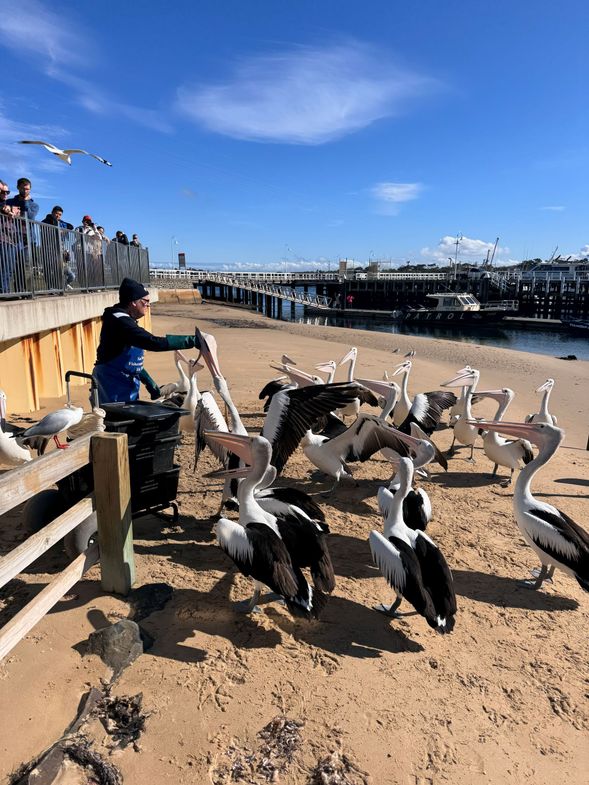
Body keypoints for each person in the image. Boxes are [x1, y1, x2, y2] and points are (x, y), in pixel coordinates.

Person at [93, 277, 199, 403]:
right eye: (146, 301)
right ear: (133, 301)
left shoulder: (125, 320)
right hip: (112, 387)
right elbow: (151, 342)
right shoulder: (121, 322)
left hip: (125, 385)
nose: (148, 305)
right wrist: (193, 341)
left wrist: (149, 383)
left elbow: (129, 362)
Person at [7, 178, 39, 292]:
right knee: (15, 266)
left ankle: (28, 292)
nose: (25, 191)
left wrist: (25, 202)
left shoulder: (34, 205)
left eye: (27, 189)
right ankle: (18, 291)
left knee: (26, 266)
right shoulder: (10, 202)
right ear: (18, 188)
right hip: (12, 238)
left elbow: (30, 216)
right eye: (23, 188)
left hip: (28, 240)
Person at [42, 206, 74, 290]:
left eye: (60, 214)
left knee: (59, 270)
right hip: (48, 249)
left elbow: (71, 226)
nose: (58, 216)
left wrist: (63, 230)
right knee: (49, 269)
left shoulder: (61, 222)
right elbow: (44, 229)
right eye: (56, 213)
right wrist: (55, 230)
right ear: (52, 212)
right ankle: (51, 288)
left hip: (59, 249)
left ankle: (60, 287)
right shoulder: (46, 221)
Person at [0, 180, 19, 294]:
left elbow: (19, 212)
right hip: (2, 239)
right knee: (4, 267)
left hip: (11, 240)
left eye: (7, 192)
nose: (5, 194)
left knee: (9, 268)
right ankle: (3, 291)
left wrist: (11, 210)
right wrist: (7, 210)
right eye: (2, 191)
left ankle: (5, 291)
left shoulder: (8, 204)